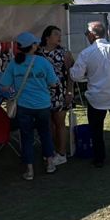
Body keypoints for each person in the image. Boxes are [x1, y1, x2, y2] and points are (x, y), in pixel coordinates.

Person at [69, 22, 110, 166]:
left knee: (96, 129)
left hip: (96, 97)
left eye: (87, 33)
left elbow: (75, 76)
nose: (86, 36)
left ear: (92, 35)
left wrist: (75, 69)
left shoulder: (86, 53)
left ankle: (99, 158)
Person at [2, 32, 61, 180]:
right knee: (45, 134)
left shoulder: (14, 64)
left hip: (23, 106)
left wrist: (15, 89)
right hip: (43, 105)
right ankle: (50, 164)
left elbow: (4, 85)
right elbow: (53, 83)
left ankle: (29, 170)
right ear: (32, 46)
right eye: (35, 43)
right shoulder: (43, 62)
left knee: (26, 137)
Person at [38, 25, 74, 163]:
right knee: (47, 124)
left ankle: (62, 153)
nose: (59, 37)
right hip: (42, 92)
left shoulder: (64, 53)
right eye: (56, 34)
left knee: (59, 123)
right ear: (47, 37)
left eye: (60, 34)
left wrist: (69, 91)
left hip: (60, 92)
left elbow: (71, 74)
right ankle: (50, 150)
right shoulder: (38, 53)